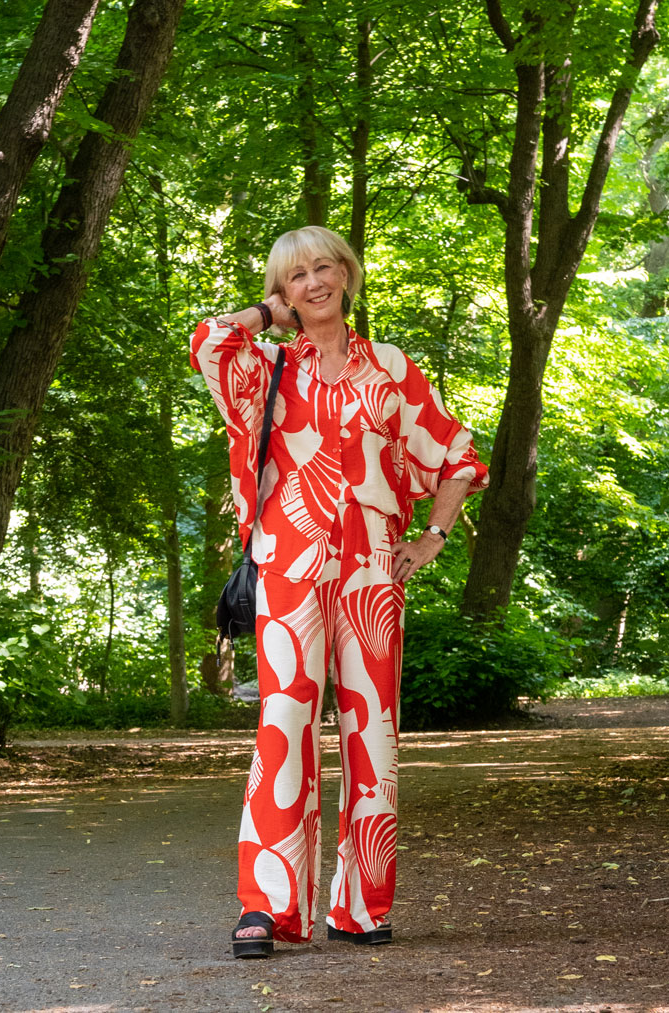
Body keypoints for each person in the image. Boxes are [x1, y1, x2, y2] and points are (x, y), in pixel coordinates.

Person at [190, 226, 488, 958]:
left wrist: (432, 538)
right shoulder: (263, 367)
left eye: (323, 267)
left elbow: (456, 454)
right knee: (282, 726)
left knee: (371, 736)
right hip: (288, 566)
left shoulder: (389, 367)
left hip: (371, 572)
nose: (313, 282)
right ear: (283, 292)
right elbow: (206, 342)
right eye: (295, 276)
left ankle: (361, 904)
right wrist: (265, 316)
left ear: (347, 275)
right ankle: (267, 906)